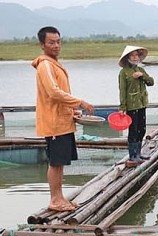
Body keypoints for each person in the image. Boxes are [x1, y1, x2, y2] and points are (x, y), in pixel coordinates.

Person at [33, 25, 94, 212]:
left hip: (62, 121)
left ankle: (60, 198)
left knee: (60, 163)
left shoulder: (54, 64)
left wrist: (71, 111)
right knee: (55, 162)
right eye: (51, 42)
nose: (56, 45)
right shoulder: (45, 65)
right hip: (53, 123)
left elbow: (59, 96)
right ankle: (55, 200)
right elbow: (53, 93)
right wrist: (80, 103)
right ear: (42, 44)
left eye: (58, 41)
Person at [117, 45, 154, 167]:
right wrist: (122, 107)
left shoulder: (141, 70)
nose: (135, 57)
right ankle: (133, 156)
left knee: (141, 129)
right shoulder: (124, 73)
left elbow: (151, 82)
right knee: (133, 131)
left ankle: (138, 153)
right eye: (132, 55)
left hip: (142, 104)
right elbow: (122, 91)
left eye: (136, 55)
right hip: (131, 106)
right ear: (127, 57)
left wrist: (141, 76)